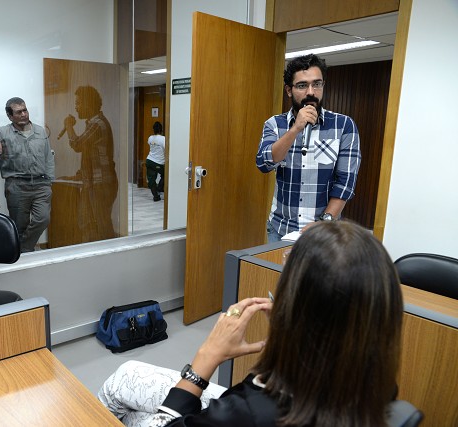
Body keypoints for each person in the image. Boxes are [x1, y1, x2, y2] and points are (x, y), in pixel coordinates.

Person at [98, 220, 403, 427]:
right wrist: (288, 336)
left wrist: (206, 358)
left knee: (123, 397)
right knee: (128, 377)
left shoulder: (248, 412)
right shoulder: (373, 379)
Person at [255, 54, 361, 242]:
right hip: (281, 228)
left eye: (317, 84)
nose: (311, 92)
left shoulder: (344, 125)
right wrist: (295, 128)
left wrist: (325, 221)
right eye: (302, 85)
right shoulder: (275, 124)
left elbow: (345, 182)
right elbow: (264, 164)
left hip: (325, 231)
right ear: (289, 90)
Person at [0, 97, 55, 252]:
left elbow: (48, 157)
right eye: (18, 112)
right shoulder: (2, 132)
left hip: (41, 185)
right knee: (19, 225)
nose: (23, 114)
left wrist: (50, 181)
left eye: (25, 110)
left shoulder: (40, 131)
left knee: (43, 219)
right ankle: (24, 255)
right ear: (10, 116)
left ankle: (22, 249)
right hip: (17, 186)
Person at [62, 85, 118, 241]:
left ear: (88, 104)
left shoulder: (97, 124)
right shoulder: (93, 123)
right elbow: (91, 155)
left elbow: (78, 145)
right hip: (93, 183)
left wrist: (68, 126)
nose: (76, 107)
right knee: (86, 222)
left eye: (78, 103)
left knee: (102, 225)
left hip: (101, 184)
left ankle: (109, 252)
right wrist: (80, 174)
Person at [146, 121, 165, 202]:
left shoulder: (150, 138)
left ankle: (156, 196)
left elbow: (150, 145)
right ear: (161, 130)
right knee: (165, 174)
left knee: (151, 179)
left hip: (149, 161)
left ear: (153, 130)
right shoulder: (163, 139)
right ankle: (159, 188)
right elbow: (167, 149)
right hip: (158, 163)